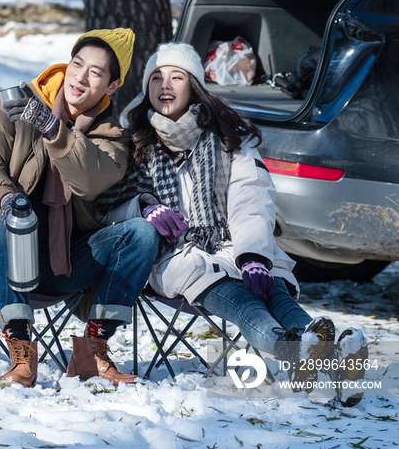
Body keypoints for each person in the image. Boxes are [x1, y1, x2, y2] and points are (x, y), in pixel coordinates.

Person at [96, 42, 368, 406]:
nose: (165, 84)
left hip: (233, 245)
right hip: (174, 256)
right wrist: (141, 208)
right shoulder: (134, 143)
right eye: (156, 77)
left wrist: (252, 254)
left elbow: (251, 199)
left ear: (194, 84)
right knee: (243, 302)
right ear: (146, 88)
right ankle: (307, 357)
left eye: (177, 77)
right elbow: (105, 208)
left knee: (273, 291)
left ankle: (326, 362)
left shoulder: (228, 140)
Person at [0, 28, 161, 389]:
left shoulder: (111, 137)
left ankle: (93, 349)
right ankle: (21, 351)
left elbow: (90, 179)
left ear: (112, 86)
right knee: (0, 223)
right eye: (77, 64)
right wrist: (6, 198)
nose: (81, 77)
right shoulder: (14, 105)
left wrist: (53, 129)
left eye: (96, 73)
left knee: (140, 234)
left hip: (61, 266)